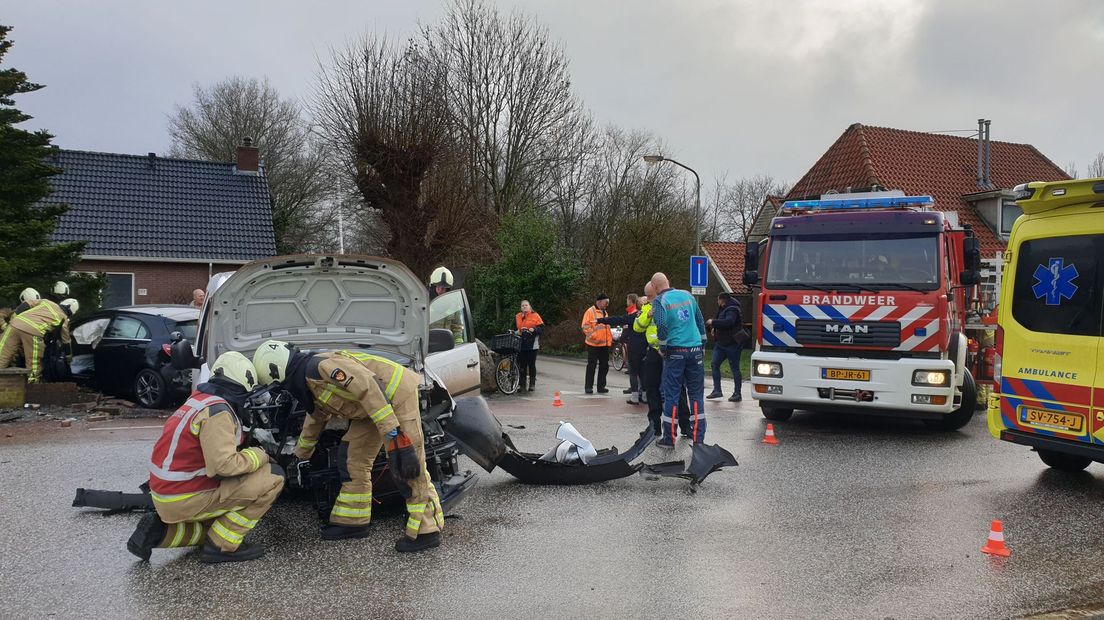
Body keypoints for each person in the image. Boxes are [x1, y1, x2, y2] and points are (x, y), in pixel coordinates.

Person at [252, 340, 443, 553]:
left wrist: (393, 432)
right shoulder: (308, 380)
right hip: (370, 409)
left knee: (407, 463)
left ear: (275, 372)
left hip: (395, 396)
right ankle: (352, 521)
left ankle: (427, 530)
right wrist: (301, 454)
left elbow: (369, 386)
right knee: (352, 458)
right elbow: (316, 417)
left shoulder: (320, 367)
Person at [126, 351, 284, 563]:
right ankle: (222, 547)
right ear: (239, 385)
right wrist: (260, 454)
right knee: (274, 476)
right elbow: (224, 466)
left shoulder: (199, 401)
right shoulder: (218, 412)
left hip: (166, 494)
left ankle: (160, 533)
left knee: (215, 524)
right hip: (185, 497)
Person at [650, 272, 707, 447]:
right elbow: (700, 321)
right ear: (668, 281)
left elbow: (661, 324)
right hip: (695, 350)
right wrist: (702, 344)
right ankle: (698, 439)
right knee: (696, 395)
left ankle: (669, 438)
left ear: (654, 287)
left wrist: (663, 347)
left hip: (675, 352)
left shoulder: (660, 301)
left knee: (672, 395)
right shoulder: (688, 296)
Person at [635, 283, 693, 436]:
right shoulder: (648, 307)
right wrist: (647, 316)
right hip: (654, 351)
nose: (647, 299)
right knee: (651, 388)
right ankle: (654, 426)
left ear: (657, 291)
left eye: (649, 295)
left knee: (677, 388)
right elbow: (637, 326)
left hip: (670, 351)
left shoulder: (669, 304)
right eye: (646, 296)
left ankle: (685, 426)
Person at [0, 297, 78, 382]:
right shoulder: (63, 319)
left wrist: (14, 316)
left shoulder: (47, 302)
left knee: (2, 356)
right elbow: (66, 341)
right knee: (33, 366)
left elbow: (26, 304)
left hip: (14, 325)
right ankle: (32, 388)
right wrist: (68, 357)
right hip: (33, 332)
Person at [598, 294, 646, 404]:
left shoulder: (633, 316)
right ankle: (644, 396)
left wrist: (601, 320)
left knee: (633, 372)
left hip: (634, 347)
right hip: (646, 347)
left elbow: (617, 319)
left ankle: (634, 397)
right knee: (643, 372)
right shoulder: (650, 316)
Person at [706, 293, 745, 402]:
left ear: (722, 300)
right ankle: (717, 390)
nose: (717, 302)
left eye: (718, 300)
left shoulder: (732, 309)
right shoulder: (722, 309)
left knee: (735, 368)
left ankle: (737, 393)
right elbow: (718, 321)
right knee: (714, 364)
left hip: (732, 344)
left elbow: (729, 322)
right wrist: (713, 328)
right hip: (721, 343)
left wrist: (713, 322)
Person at [580, 294, 613, 394]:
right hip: (593, 344)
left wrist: (609, 340)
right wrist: (594, 336)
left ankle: (601, 386)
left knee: (604, 366)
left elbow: (606, 328)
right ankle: (588, 387)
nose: (607, 304)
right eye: (605, 302)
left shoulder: (605, 312)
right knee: (591, 366)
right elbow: (585, 326)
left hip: (604, 344)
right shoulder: (590, 311)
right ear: (599, 302)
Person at [515, 300, 544, 392]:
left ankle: (532, 384)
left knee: (531, 364)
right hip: (520, 343)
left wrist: (534, 329)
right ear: (521, 307)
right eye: (522, 305)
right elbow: (514, 328)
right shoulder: (518, 316)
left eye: (526, 305)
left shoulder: (535, 315)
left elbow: (541, 328)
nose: (524, 307)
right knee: (522, 364)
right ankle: (522, 385)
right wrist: (517, 332)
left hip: (532, 344)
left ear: (529, 306)